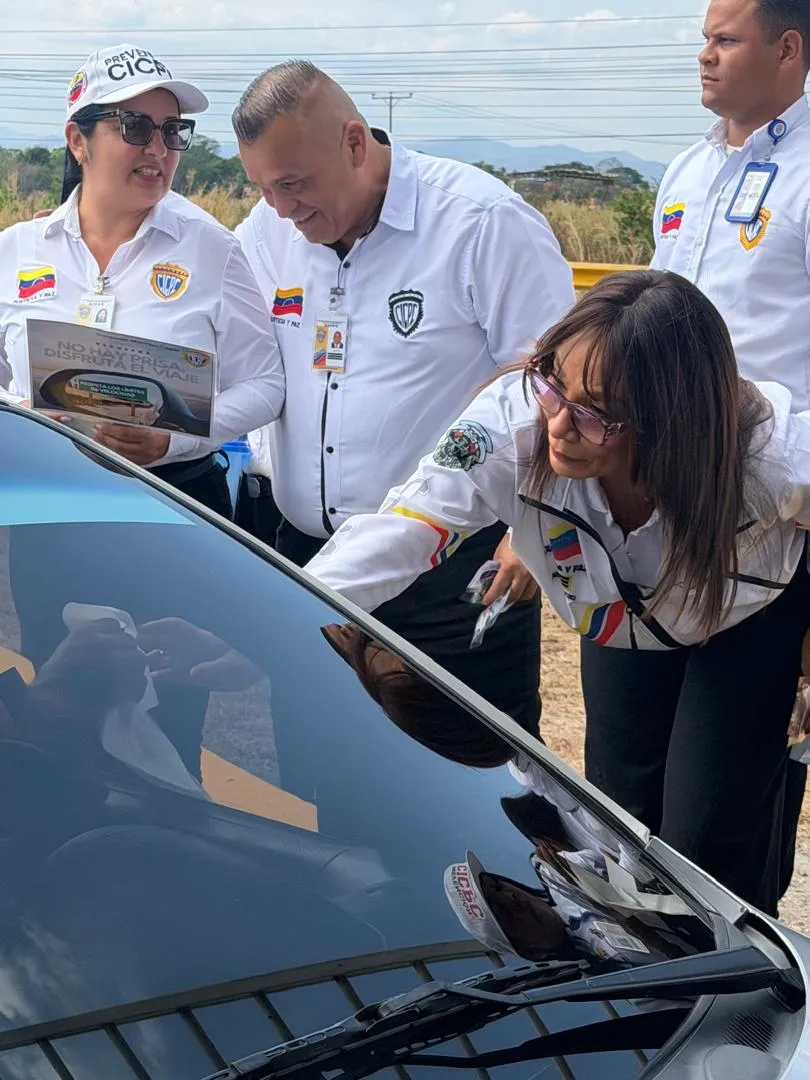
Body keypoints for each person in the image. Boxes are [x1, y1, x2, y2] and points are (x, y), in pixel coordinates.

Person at [305, 270, 810, 915]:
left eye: (597, 412)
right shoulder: (509, 425)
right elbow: (400, 532)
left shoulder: (775, 459)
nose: (560, 425)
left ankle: (738, 957)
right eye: (551, 383)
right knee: (619, 819)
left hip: (746, 617)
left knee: (708, 836)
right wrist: (289, 609)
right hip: (619, 613)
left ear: (673, 422)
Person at [229, 59, 575, 735]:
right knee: (317, 765)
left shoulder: (481, 222)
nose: (281, 209)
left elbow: (550, 386)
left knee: (469, 767)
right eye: (264, 189)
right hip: (313, 563)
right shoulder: (268, 232)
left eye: (293, 184)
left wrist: (533, 532)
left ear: (354, 143)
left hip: (453, 573)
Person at [645, 0, 810, 900]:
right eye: (703, 39)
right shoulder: (686, 170)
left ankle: (734, 975)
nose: (703, 56)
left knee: (712, 823)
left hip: (766, 531)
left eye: (724, 39)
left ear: (788, 49)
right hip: (653, 517)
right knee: (621, 787)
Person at [0, 42, 285, 518]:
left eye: (172, 130)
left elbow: (265, 384)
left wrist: (173, 438)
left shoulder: (213, 250)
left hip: (174, 503)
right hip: (42, 498)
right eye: (134, 127)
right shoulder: (15, 250)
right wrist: (24, 413)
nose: (158, 148)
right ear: (77, 141)